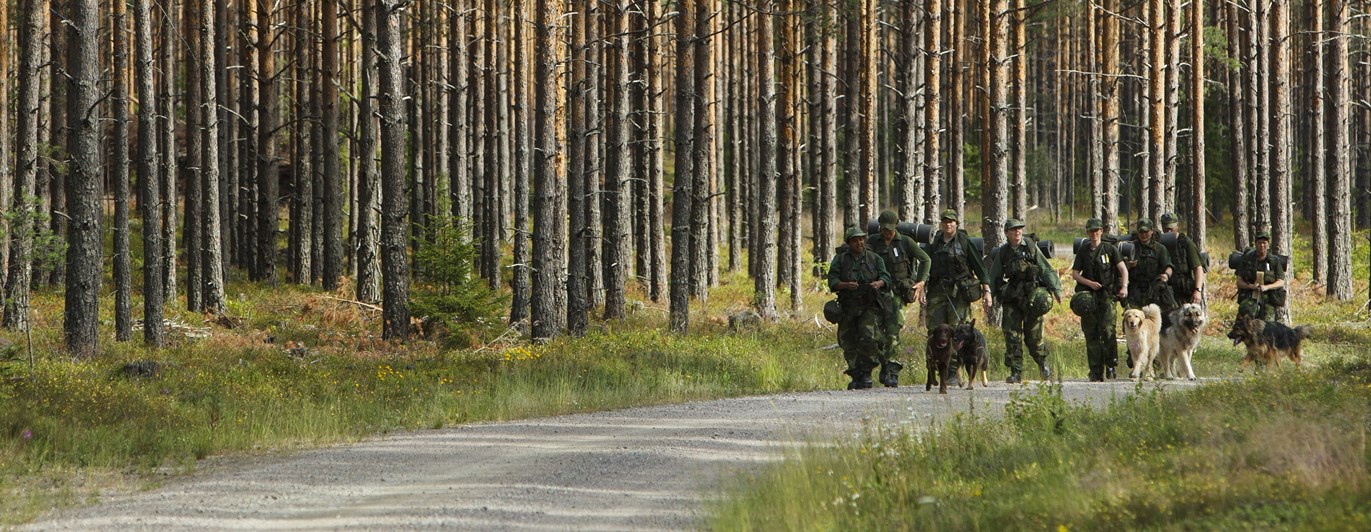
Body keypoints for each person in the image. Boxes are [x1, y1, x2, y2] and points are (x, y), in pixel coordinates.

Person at [987, 218, 1061, 383]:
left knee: (1033, 338)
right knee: (1011, 336)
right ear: (1007, 233)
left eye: (1020, 229)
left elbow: (1045, 269)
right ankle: (1016, 372)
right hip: (1012, 299)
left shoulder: (1030, 247)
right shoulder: (1003, 253)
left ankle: (1043, 366)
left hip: (1031, 299)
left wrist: (1056, 289)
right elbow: (994, 276)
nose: (1018, 232)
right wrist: (988, 296)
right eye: (1013, 230)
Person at [923, 209, 991, 388]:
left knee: (957, 332)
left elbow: (979, 266)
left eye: (951, 221)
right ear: (941, 223)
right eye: (945, 221)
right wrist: (920, 283)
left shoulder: (965, 242)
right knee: (935, 331)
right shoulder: (934, 242)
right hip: (937, 291)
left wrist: (986, 290)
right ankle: (936, 369)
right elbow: (925, 263)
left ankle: (953, 371)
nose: (948, 224)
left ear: (956, 224)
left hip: (958, 293)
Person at [866, 210, 930, 387]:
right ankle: (884, 364)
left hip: (897, 295)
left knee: (893, 333)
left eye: (889, 229)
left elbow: (925, 260)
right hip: (877, 294)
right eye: (883, 229)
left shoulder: (905, 242)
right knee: (875, 333)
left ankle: (892, 371)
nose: (886, 232)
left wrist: (921, 281)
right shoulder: (872, 242)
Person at [828, 227, 893, 390]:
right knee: (846, 340)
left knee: (867, 336)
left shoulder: (874, 258)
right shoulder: (841, 259)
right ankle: (855, 374)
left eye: (862, 239)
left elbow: (886, 276)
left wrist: (879, 283)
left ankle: (867, 371)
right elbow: (832, 280)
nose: (859, 243)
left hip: (868, 304)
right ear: (849, 242)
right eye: (855, 240)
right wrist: (845, 285)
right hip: (848, 305)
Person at [1070, 218, 1129, 381]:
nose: (1094, 234)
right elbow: (1075, 274)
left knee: (1108, 331)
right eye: (1091, 231)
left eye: (1097, 231)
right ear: (1087, 233)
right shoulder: (1083, 250)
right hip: (1089, 298)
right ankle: (1095, 370)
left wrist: (1124, 287)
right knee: (1091, 334)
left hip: (1107, 296)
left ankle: (1111, 365)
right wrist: (1089, 283)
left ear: (1101, 232)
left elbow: (1123, 269)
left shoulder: (1109, 249)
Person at [1123, 218, 1175, 315]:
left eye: (1146, 231)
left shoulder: (1160, 249)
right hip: (1135, 292)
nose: (1143, 235)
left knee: (1153, 324)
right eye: (1141, 232)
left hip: (1153, 292)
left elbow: (1169, 266)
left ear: (1151, 231)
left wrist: (1166, 275)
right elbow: (1121, 269)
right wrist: (1128, 266)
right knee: (1132, 323)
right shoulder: (1130, 247)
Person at [1235, 230, 1286, 321]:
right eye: (1259, 243)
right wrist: (1251, 286)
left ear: (1268, 244)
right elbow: (1239, 281)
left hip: (1268, 298)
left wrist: (1267, 287)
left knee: (1267, 324)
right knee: (1245, 318)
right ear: (1255, 244)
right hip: (1250, 296)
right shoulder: (1247, 259)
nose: (1262, 245)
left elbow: (1281, 282)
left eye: (1264, 243)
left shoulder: (1274, 261)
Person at [1159, 213, 1205, 306]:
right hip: (1166, 290)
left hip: (1184, 291)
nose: (1168, 231)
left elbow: (1198, 268)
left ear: (1177, 226)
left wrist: (1197, 290)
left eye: (1171, 228)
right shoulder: (1160, 243)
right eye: (1166, 228)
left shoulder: (1185, 243)